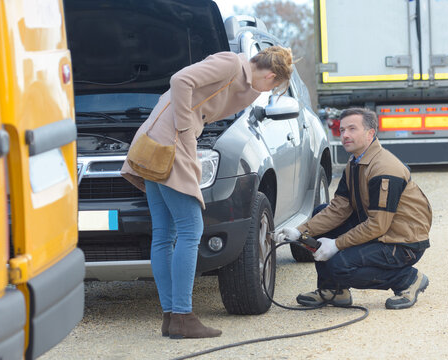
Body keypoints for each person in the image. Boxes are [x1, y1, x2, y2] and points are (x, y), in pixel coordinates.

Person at [121, 46, 294, 338]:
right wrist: (187, 129)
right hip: (171, 145)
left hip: (156, 144)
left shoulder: (238, 76)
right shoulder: (229, 64)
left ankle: (171, 317)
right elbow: (180, 81)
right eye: (272, 86)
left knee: (165, 233)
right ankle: (183, 316)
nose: (267, 91)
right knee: (191, 229)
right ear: (271, 75)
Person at [275, 107, 432, 310]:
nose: (345, 135)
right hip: (381, 231)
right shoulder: (355, 161)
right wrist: (300, 231)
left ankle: (407, 279)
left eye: (352, 129)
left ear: (370, 133)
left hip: (403, 243)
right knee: (320, 212)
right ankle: (333, 291)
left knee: (339, 265)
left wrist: (337, 245)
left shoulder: (385, 169)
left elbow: (377, 225)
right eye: (341, 130)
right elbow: (338, 209)